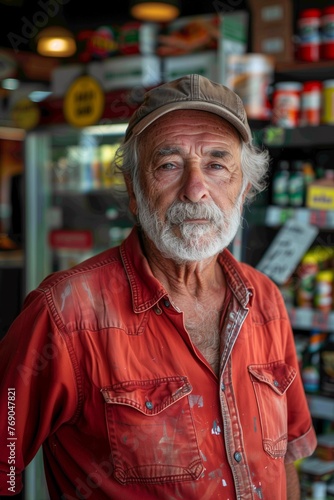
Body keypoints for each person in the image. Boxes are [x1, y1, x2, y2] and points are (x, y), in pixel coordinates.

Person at [0, 74, 317, 500]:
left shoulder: (265, 299)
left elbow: (285, 457)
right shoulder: (64, 313)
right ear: (133, 190)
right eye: (169, 165)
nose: (195, 189)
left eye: (217, 164)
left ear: (244, 189)